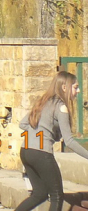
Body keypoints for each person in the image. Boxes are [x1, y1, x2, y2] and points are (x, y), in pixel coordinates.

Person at [16, 71, 88, 211]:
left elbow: (23, 124)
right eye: (75, 86)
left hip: (26, 151)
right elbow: (70, 141)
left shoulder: (43, 101)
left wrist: (40, 134)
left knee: (40, 194)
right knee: (56, 196)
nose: (78, 91)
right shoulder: (61, 107)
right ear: (65, 87)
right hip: (41, 154)